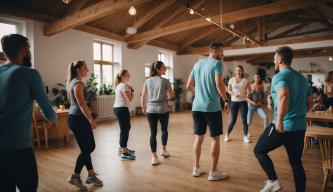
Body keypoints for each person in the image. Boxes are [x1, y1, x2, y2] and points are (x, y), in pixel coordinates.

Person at [0, 34, 57, 192]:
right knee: (29, 187)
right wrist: (52, 118)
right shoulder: (29, 74)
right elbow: (46, 108)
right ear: (23, 51)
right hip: (19, 148)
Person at [254, 46, 313, 192]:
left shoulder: (279, 76)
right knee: (296, 163)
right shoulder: (301, 78)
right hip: (299, 127)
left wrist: (280, 119)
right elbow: (310, 102)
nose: (273, 60)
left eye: (274, 57)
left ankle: (273, 181)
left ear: (280, 59)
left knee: (259, 150)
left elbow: (285, 95)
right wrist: (296, 113)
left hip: (282, 126)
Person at [186, 42, 229, 181]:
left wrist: (199, 93)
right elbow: (219, 83)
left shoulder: (197, 64)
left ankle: (196, 168)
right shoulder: (217, 64)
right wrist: (226, 100)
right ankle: (213, 172)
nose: (222, 54)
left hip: (197, 107)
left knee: (198, 138)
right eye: (221, 51)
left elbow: (188, 85)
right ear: (214, 51)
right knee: (215, 138)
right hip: (211, 108)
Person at [66, 61, 103, 190]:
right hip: (78, 119)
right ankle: (75, 176)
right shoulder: (78, 84)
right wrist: (91, 120)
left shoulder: (73, 82)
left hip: (76, 118)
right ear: (78, 70)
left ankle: (91, 174)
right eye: (85, 67)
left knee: (86, 148)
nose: (87, 69)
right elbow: (82, 105)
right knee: (89, 147)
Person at [141, 61, 173, 165]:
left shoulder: (147, 81)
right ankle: (164, 150)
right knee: (164, 130)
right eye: (164, 68)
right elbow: (171, 96)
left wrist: (143, 107)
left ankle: (154, 157)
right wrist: (166, 97)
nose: (165, 70)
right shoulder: (165, 81)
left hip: (150, 109)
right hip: (163, 109)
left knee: (153, 133)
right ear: (158, 70)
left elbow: (143, 95)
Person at [113, 69, 135, 160]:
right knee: (124, 130)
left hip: (118, 108)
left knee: (125, 128)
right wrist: (132, 90)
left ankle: (123, 148)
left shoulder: (119, 85)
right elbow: (129, 99)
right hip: (122, 109)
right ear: (122, 76)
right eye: (127, 75)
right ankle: (124, 152)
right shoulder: (124, 86)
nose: (129, 76)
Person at [225, 65, 251, 143]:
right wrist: (234, 94)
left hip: (243, 102)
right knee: (233, 120)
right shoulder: (231, 80)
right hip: (234, 102)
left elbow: (248, 90)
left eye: (239, 70)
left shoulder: (245, 81)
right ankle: (227, 135)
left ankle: (245, 136)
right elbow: (229, 91)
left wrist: (247, 94)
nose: (238, 72)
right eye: (236, 70)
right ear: (235, 71)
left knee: (244, 120)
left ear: (242, 71)